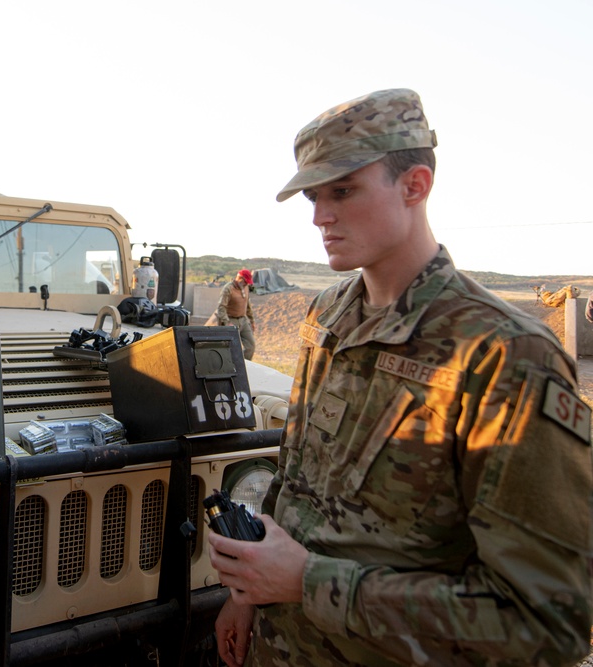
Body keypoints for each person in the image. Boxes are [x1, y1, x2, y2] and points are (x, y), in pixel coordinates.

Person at [208, 88, 593, 666]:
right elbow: (296, 481)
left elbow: (548, 622)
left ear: (415, 185)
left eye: (342, 190)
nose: (320, 216)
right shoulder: (329, 316)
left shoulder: (503, 355)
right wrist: (249, 595)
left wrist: (308, 583)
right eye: (314, 196)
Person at [214, 268, 257, 360]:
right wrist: (227, 323)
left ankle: (244, 365)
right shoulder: (228, 289)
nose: (246, 284)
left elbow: (247, 305)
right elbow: (221, 308)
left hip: (243, 320)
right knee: (230, 348)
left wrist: (252, 321)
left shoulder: (245, 288)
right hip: (231, 320)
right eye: (245, 281)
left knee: (251, 346)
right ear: (240, 279)